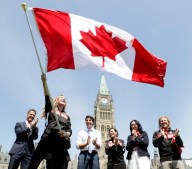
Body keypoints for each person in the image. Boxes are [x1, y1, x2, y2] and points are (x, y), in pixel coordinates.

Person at [28, 74, 72, 169]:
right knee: (34, 162)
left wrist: (66, 134)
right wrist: (44, 82)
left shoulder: (67, 116)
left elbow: (69, 130)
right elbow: (47, 95)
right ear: (56, 100)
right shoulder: (51, 108)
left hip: (61, 143)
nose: (63, 98)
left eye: (64, 98)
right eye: (61, 97)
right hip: (48, 139)